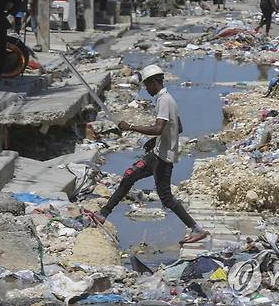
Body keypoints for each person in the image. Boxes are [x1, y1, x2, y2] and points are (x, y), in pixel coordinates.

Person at [89, 65, 209, 244]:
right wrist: (156, 141)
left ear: (154, 82)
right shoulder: (166, 99)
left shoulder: (165, 100)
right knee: (130, 175)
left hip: (163, 158)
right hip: (156, 153)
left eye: (147, 85)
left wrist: (130, 127)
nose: (146, 89)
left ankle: (196, 229)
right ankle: (103, 214)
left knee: (166, 198)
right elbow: (178, 127)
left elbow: (159, 128)